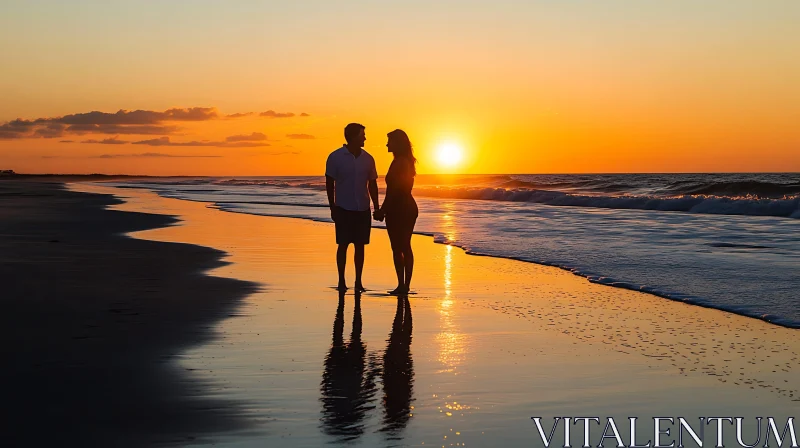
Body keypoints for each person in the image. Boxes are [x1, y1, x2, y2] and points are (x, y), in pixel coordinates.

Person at [325, 123, 380, 292]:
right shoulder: (335, 157)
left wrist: (376, 207)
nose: (365, 138)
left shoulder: (368, 158)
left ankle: (358, 281)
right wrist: (332, 207)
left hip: (363, 208)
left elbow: (372, 184)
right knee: (342, 244)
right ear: (353, 136)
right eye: (362, 135)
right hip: (343, 207)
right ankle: (341, 280)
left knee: (360, 246)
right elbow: (329, 183)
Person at [374, 129, 418, 295]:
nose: (387, 144)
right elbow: (394, 189)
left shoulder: (401, 162)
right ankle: (403, 285)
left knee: (401, 246)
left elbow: (396, 189)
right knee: (400, 246)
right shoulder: (403, 161)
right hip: (402, 206)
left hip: (402, 207)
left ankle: (404, 286)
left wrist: (383, 209)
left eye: (389, 141)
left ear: (397, 143)